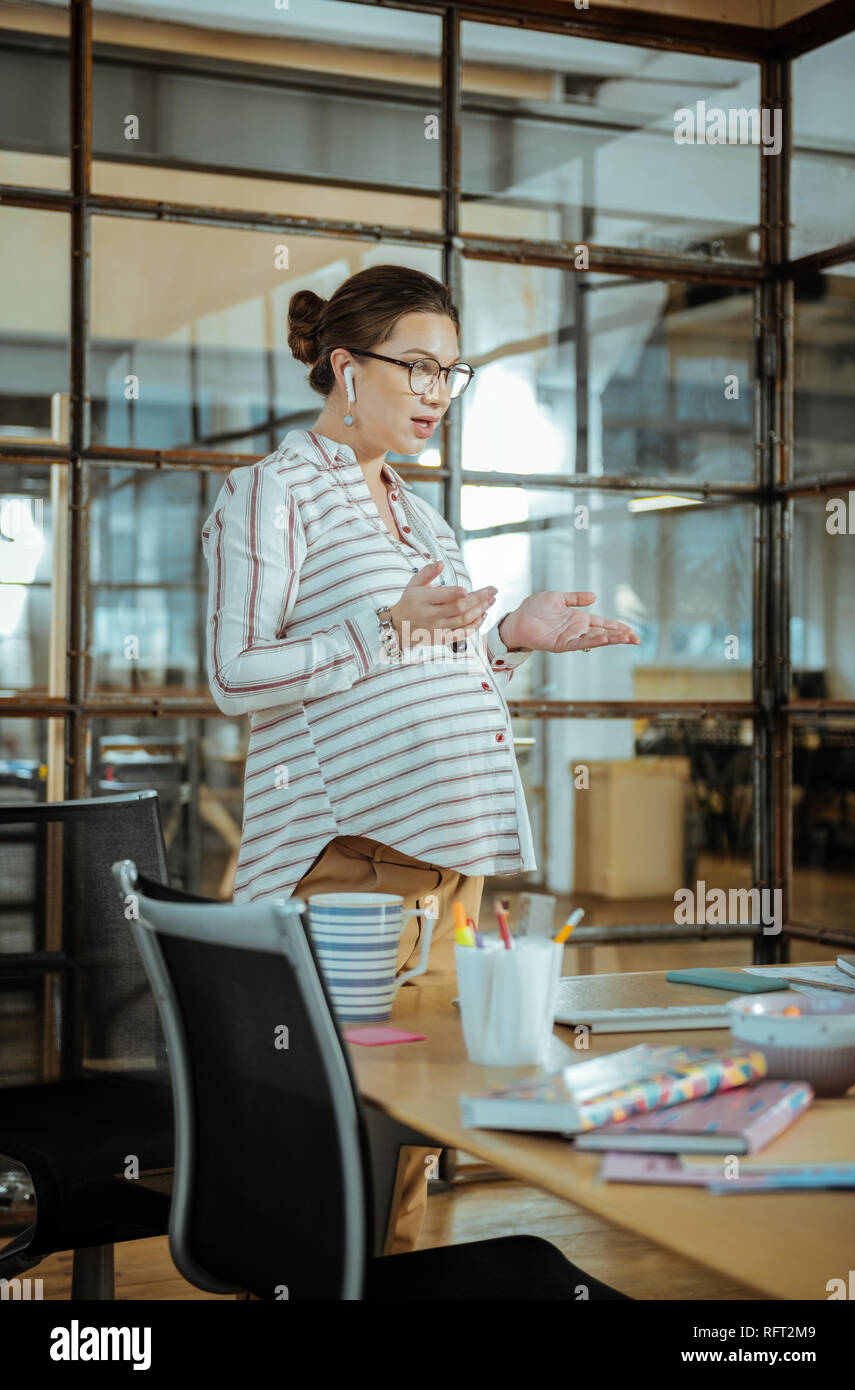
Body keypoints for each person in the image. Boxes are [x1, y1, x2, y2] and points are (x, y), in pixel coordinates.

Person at [201, 264, 639, 1252]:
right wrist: (380, 619)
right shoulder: (269, 494)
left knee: (401, 1144)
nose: (438, 391)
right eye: (419, 366)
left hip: (439, 866)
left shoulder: (422, 513)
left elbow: (427, 667)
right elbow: (234, 674)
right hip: (343, 860)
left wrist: (510, 640)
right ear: (345, 368)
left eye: (452, 371)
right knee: (327, 1144)